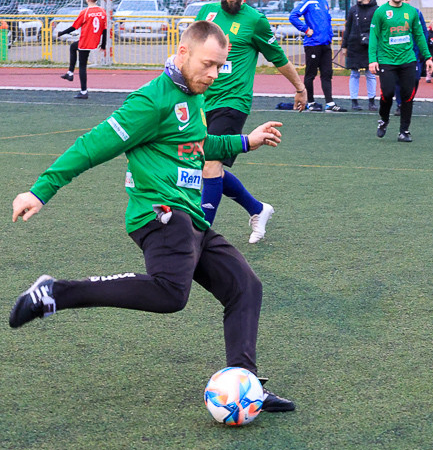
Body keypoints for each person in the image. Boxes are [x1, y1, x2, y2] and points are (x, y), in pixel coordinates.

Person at [8, 20, 296, 412]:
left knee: (246, 286)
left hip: (191, 216)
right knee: (170, 293)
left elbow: (196, 142)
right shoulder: (150, 101)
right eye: (207, 64)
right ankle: (54, 293)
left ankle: (243, 383)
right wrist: (40, 190)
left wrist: (246, 140)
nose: (213, 75)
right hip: (159, 212)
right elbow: (93, 145)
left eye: (219, 67)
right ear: (183, 53)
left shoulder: (193, 95)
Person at [196, 0, 306, 244]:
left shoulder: (255, 20)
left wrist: (300, 87)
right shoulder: (205, 14)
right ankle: (258, 209)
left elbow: (277, 57)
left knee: (210, 163)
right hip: (202, 101)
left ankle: (197, 237)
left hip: (233, 102)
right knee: (206, 164)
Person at [368, 0, 433, 142]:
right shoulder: (381, 12)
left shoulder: (411, 12)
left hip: (408, 60)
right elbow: (374, 37)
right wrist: (372, 59)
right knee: (388, 93)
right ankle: (383, 120)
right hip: (387, 60)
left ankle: (404, 131)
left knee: (407, 95)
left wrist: (428, 57)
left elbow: (419, 36)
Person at [289, 0, 342, 112]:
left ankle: (330, 103)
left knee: (327, 73)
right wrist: (305, 29)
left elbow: (327, 21)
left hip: (325, 44)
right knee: (310, 74)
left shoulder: (324, 2)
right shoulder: (308, 1)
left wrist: (329, 36)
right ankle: (310, 102)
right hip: (312, 44)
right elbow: (293, 16)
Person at [58, 0, 107, 100]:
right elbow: (105, 30)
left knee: (82, 66)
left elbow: (74, 27)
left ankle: (83, 91)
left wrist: (61, 33)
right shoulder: (102, 11)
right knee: (73, 46)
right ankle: (70, 73)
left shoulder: (85, 12)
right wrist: (103, 45)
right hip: (94, 41)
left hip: (85, 42)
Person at [342, 0, 378, 111]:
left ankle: (372, 101)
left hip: (369, 46)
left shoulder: (376, 9)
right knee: (354, 73)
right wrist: (344, 46)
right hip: (354, 45)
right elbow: (348, 28)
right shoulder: (353, 10)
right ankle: (354, 101)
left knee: (371, 73)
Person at [403, 0, 429, 82]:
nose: (405, 2)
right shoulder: (392, 14)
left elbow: (424, 32)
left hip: (414, 51)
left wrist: (423, 48)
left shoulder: (416, 12)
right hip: (399, 51)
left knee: (415, 78)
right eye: (403, 0)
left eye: (407, 0)